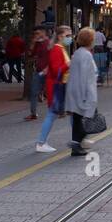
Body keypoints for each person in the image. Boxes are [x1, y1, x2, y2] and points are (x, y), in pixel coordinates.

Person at [35, 24, 73, 153]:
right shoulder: (57, 49)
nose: (70, 38)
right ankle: (41, 142)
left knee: (57, 113)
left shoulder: (61, 48)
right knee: (52, 114)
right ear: (60, 36)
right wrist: (68, 64)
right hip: (56, 86)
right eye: (68, 35)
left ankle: (42, 142)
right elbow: (57, 70)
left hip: (60, 85)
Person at [65, 27, 100, 157]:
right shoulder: (86, 55)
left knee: (78, 118)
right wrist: (88, 96)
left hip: (75, 90)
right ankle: (76, 143)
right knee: (84, 118)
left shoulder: (77, 53)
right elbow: (86, 77)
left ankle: (77, 144)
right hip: (83, 92)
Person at [26, 27, 50, 121]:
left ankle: (60, 110)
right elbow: (30, 54)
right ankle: (33, 113)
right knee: (34, 91)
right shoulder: (37, 44)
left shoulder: (49, 43)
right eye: (34, 33)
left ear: (43, 33)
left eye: (37, 33)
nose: (35, 35)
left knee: (52, 91)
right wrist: (33, 42)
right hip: (39, 71)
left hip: (49, 71)